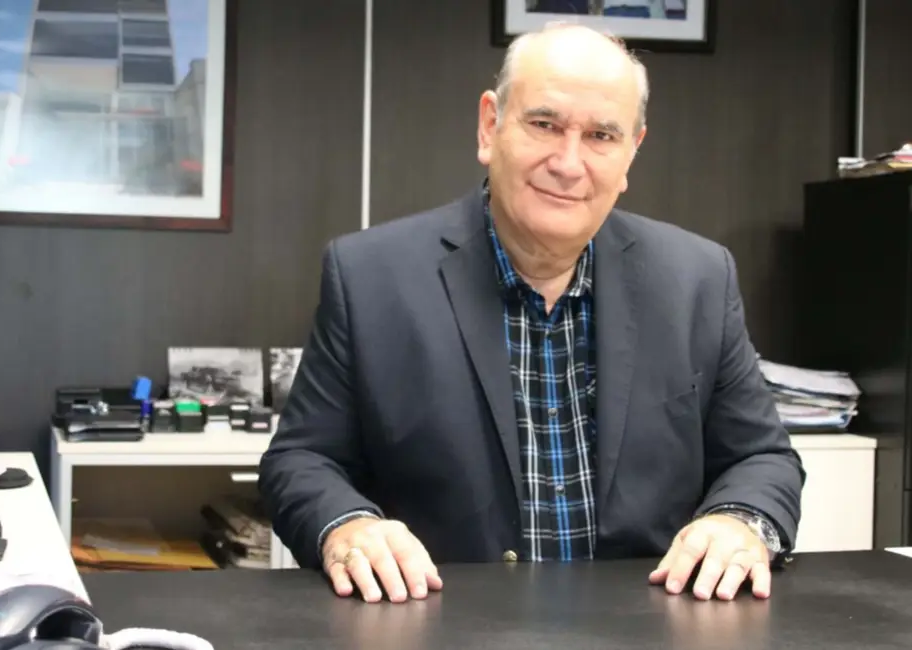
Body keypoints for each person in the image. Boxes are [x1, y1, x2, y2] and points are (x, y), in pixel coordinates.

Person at [258, 23, 805, 606]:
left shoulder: (698, 279)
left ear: (631, 152)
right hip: (441, 622)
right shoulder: (370, 277)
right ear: (489, 126)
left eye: (601, 136)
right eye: (544, 124)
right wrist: (348, 527)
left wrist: (740, 521)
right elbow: (301, 459)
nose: (568, 163)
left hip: (645, 625)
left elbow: (762, 458)